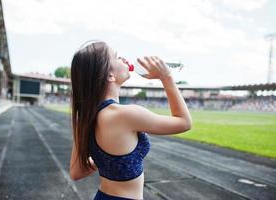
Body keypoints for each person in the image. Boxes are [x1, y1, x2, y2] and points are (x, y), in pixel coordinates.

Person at [69, 40, 192, 200]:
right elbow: (184, 122)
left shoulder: (86, 117)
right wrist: (166, 77)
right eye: (117, 57)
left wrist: (107, 160)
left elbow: (76, 172)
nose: (124, 59)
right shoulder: (127, 115)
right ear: (110, 75)